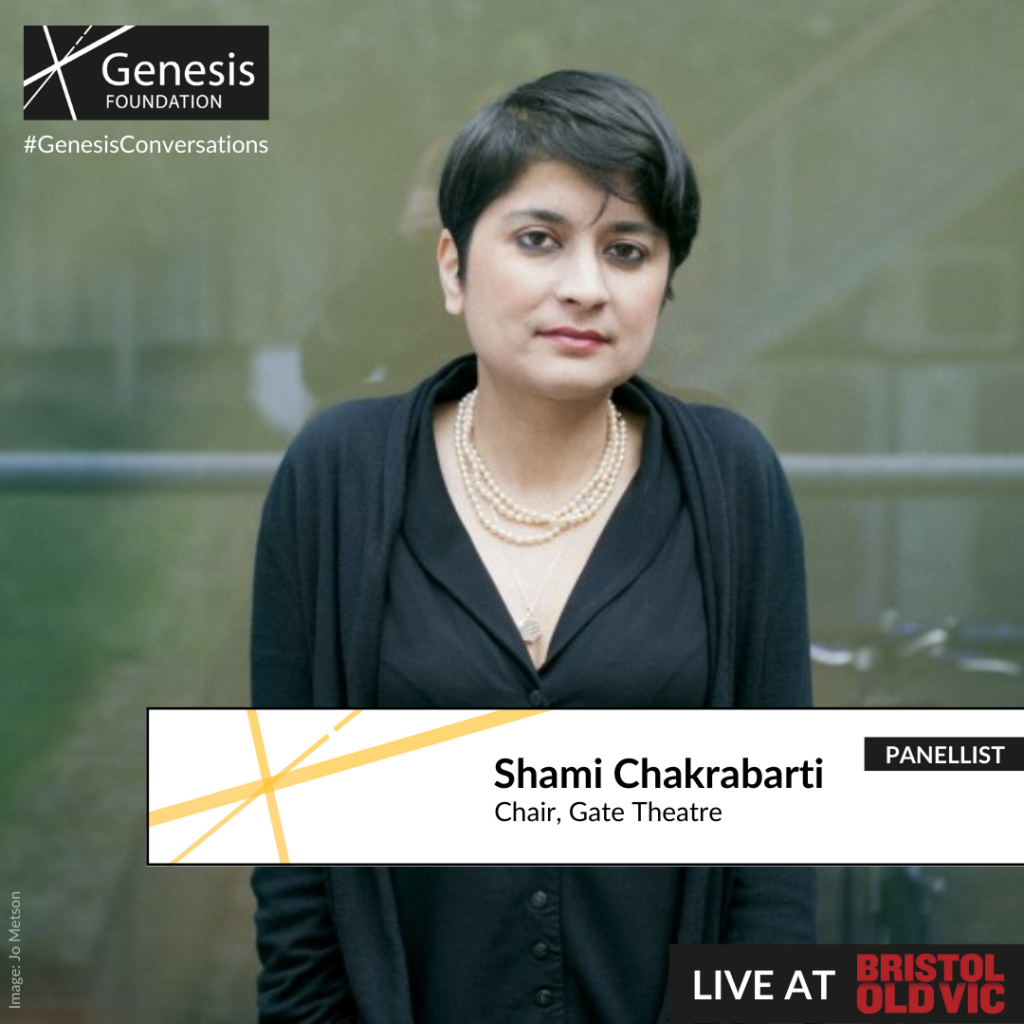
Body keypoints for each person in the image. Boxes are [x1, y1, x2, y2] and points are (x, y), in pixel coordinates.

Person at [251, 70, 814, 1024]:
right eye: (539, 239)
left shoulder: (732, 479)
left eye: (628, 249)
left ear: (661, 283)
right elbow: (294, 860)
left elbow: (775, 848)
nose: (585, 287)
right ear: (450, 265)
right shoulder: (337, 473)